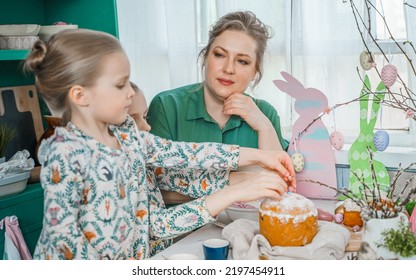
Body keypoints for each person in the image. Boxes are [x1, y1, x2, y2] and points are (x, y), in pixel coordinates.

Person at [24, 28, 295, 260]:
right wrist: (238, 186)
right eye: (120, 85)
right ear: (81, 96)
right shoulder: (66, 155)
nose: (131, 92)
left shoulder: (128, 136)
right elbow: (66, 243)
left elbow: (185, 155)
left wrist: (258, 158)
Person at [147, 11, 291, 202]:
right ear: (205, 57)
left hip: (249, 228)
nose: (229, 69)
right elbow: (157, 188)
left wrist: (263, 126)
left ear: (255, 71)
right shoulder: (166, 106)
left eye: (242, 61)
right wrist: (238, 183)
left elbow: (277, 189)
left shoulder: (265, 113)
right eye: (220, 55)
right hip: (188, 232)